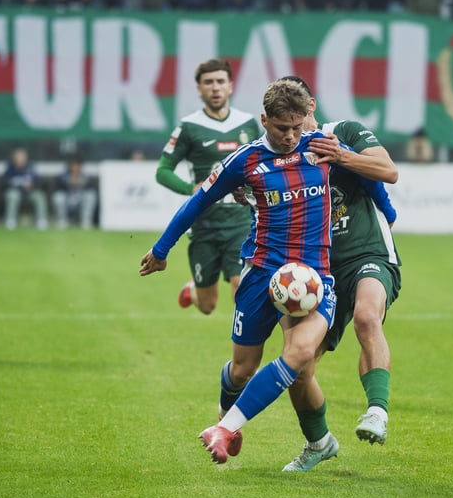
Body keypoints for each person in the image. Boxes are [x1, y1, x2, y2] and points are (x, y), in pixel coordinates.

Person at [139, 79, 335, 465]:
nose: (291, 135)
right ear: (264, 120)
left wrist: (388, 214)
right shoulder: (244, 161)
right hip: (262, 274)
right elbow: (197, 202)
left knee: (301, 353)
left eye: (297, 126)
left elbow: (376, 171)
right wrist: (161, 250)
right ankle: (228, 419)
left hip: (313, 279)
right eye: (282, 128)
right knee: (242, 369)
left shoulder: (322, 148)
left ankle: (228, 428)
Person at [274, 75, 401, 472]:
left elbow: (388, 171)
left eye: (299, 114)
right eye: (284, 120)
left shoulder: (342, 132)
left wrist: (342, 155)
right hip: (316, 270)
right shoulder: (280, 155)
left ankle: (377, 412)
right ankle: (319, 443)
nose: (293, 126)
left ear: (311, 106)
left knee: (367, 316)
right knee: (299, 365)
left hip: (368, 252)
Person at [155, 58, 261, 314]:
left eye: (220, 82)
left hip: (240, 224)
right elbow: (163, 171)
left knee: (241, 288)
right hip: (204, 226)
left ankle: (244, 351)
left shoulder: (248, 124)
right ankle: (193, 290)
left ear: (231, 86)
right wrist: (192, 189)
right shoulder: (189, 127)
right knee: (207, 305)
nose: (215, 88)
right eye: (209, 83)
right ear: (199, 89)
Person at [2, 147, 48, 230]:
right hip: (15, 192)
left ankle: (41, 221)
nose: (21, 160)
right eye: (19, 158)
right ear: (14, 159)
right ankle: (10, 220)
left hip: (28, 193)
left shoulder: (30, 167)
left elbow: (38, 181)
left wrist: (32, 185)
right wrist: (20, 185)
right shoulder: (10, 168)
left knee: (40, 196)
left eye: (23, 158)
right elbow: (5, 183)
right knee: (13, 196)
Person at [52, 156, 97, 229]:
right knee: (58, 196)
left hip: (80, 202)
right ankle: (62, 221)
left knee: (90, 195)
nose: (75, 167)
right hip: (67, 201)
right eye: (73, 165)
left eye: (77, 165)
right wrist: (69, 182)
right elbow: (58, 185)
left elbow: (91, 187)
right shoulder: (63, 176)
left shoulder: (85, 176)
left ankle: (86, 222)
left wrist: (82, 183)